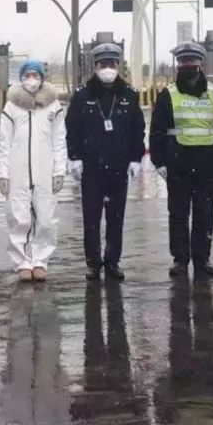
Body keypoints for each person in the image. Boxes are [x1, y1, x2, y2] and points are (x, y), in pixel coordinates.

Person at [149, 42, 213, 280]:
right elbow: (157, 130)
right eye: (184, 63)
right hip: (178, 163)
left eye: (192, 63)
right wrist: (160, 162)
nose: (188, 66)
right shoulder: (168, 95)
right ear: (178, 65)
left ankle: (202, 259)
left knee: (204, 213)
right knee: (178, 214)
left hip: (207, 163)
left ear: (200, 64)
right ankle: (180, 259)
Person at [65, 43, 146, 281]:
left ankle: (112, 261)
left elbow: (137, 130)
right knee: (91, 217)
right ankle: (93, 262)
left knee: (116, 216)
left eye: (112, 64)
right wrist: (74, 157)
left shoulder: (129, 95)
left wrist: (136, 158)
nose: (107, 68)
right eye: (103, 64)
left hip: (119, 167)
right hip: (91, 167)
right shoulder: (82, 96)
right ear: (95, 66)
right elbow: (73, 129)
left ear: (118, 66)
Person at [0, 60, 67, 282]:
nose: (32, 79)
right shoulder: (11, 107)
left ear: (43, 78)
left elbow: (59, 140)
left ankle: (40, 261)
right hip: (18, 172)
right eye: (28, 75)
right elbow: (3, 143)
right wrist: (2, 173)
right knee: (19, 218)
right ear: (21, 77)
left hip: (44, 171)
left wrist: (59, 170)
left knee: (45, 218)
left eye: (36, 75)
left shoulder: (53, 107)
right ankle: (22, 262)